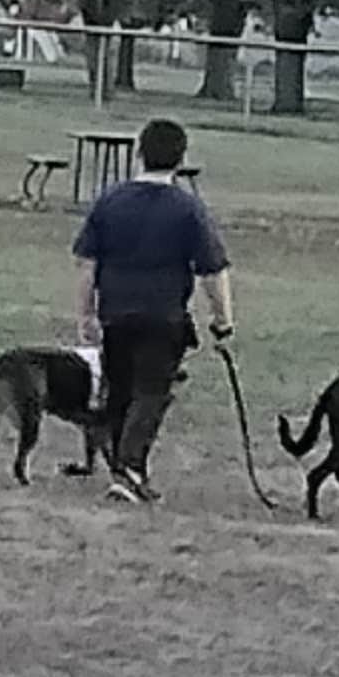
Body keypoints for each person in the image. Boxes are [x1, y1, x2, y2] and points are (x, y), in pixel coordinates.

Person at [74, 117, 233, 505]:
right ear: (181, 159)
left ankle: (124, 466)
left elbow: (86, 263)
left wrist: (86, 313)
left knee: (120, 392)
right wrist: (223, 319)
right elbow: (213, 270)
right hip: (164, 317)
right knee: (151, 393)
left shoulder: (109, 201)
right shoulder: (188, 209)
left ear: (138, 153)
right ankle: (129, 469)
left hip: (115, 314)